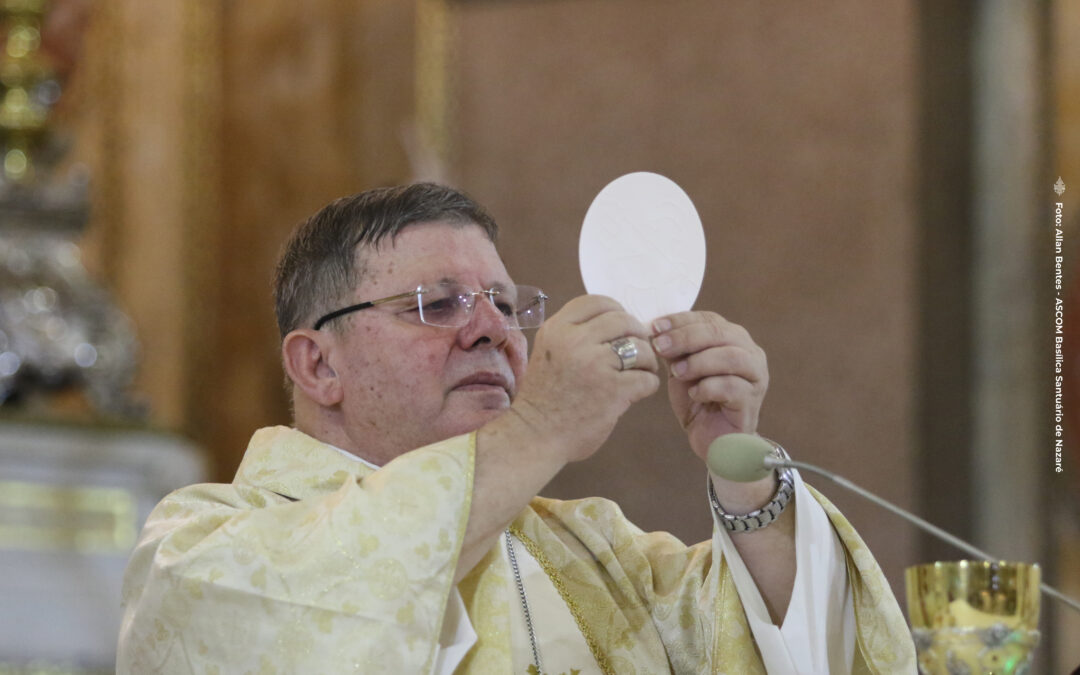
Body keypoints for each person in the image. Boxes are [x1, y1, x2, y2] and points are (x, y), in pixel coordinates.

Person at [116, 183, 915, 674]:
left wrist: (738, 464)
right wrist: (541, 426)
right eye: (437, 304)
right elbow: (304, 620)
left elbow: (795, 653)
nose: (492, 330)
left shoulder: (589, 552)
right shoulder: (202, 548)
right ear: (318, 364)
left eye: (506, 304)